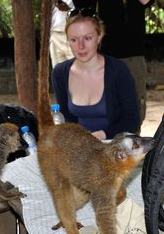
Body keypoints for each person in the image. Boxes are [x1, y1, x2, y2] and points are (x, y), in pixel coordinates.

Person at [72, 0, 157, 125]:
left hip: (133, 53)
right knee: (100, 120)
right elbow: (81, 3)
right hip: (99, 56)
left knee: (132, 121)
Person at [50, 10, 140, 140]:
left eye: (87, 38)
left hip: (116, 145)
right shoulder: (60, 73)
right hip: (80, 147)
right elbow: (66, 119)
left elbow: (132, 120)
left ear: (99, 36)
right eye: (74, 40)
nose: (81, 46)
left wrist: (99, 136)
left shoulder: (118, 70)